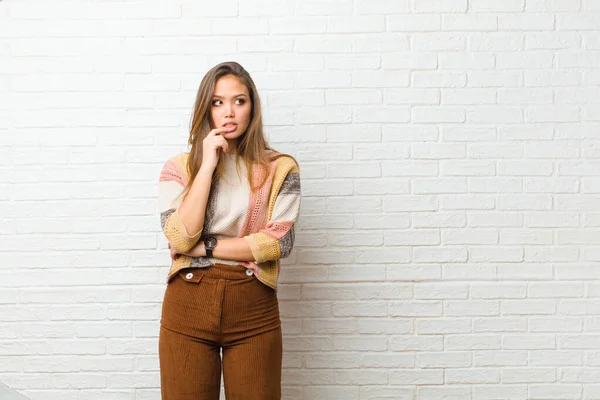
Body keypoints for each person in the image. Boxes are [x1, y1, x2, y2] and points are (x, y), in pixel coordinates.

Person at [157, 61, 301, 399]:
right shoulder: (179, 168)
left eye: (239, 100)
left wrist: (204, 247)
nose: (229, 112)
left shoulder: (281, 167)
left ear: (253, 106)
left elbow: (279, 241)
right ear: (205, 109)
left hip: (254, 306)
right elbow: (178, 236)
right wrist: (207, 165)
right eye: (217, 102)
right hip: (187, 305)